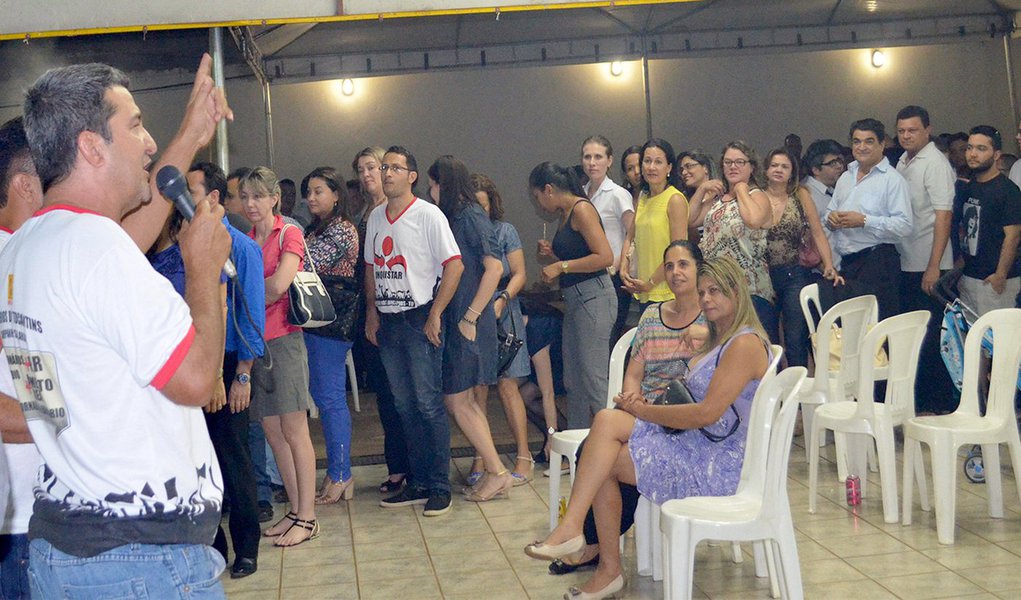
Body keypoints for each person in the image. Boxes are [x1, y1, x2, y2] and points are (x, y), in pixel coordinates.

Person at [4, 55, 233, 596]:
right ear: (90, 145)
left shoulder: (28, 249)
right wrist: (203, 275)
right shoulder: (94, 250)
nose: (149, 142)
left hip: (70, 547)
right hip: (141, 563)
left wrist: (192, 135)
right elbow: (197, 381)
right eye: (134, 125)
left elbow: (45, 401)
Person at [523, 255, 771, 600]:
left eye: (715, 291)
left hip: (717, 467)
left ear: (737, 292)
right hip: (699, 447)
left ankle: (580, 538)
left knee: (606, 428)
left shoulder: (743, 345)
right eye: (703, 293)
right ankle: (592, 551)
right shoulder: (727, 339)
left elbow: (706, 414)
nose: (707, 299)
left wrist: (645, 413)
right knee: (604, 441)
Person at [546, 240, 707, 577]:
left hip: (682, 421)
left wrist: (704, 341)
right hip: (644, 413)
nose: (676, 272)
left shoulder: (712, 317)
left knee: (600, 449)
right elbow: (633, 374)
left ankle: (591, 545)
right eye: (670, 266)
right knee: (600, 444)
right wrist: (633, 400)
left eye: (683, 265)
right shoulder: (652, 315)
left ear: (699, 270)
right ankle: (593, 547)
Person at [367, 146, 463, 517]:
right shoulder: (376, 217)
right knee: (404, 407)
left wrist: (436, 313)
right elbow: (372, 266)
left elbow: (454, 266)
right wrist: (372, 313)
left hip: (419, 317)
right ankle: (418, 481)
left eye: (395, 168)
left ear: (411, 176)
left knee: (427, 404)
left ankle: (440, 485)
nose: (387, 173)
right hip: (389, 322)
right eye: (383, 167)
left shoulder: (428, 215)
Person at [186, 161, 265, 578]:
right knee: (201, 463)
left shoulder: (241, 248)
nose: (182, 200)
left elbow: (252, 316)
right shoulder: (180, 244)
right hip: (191, 366)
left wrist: (242, 375)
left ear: (213, 198)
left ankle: (247, 548)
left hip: (232, 363)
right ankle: (212, 547)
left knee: (234, 460)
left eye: (191, 192)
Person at [242, 166, 320, 547]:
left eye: (258, 196)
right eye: (245, 197)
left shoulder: (289, 232)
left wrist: (247, 292)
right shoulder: (244, 238)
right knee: (272, 432)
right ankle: (294, 508)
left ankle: (308, 516)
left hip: (286, 339)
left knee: (295, 430)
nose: (251, 204)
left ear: (274, 198)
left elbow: (279, 285)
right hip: (256, 343)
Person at [426, 156, 511, 503]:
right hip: (460, 318)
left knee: (457, 399)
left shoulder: (471, 215)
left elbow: (494, 268)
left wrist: (470, 316)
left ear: (444, 184)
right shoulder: (455, 217)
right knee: (463, 400)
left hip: (470, 320)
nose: (429, 192)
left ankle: (497, 471)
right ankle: (495, 470)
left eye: (432, 184)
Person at [533, 162, 616, 430]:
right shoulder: (566, 213)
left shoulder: (581, 209)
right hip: (576, 299)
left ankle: (615, 443)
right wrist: (555, 257)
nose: (539, 203)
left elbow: (604, 256)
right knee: (574, 380)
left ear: (548, 189)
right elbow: (579, 256)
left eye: (537, 196)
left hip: (594, 297)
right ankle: (580, 447)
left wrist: (562, 266)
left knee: (594, 378)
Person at [0, 116, 43, 598]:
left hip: (39, 507)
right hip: (17, 520)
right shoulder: (10, 264)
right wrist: (71, 424)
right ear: (25, 186)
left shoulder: (25, 258)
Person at [350, 146, 410, 495]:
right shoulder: (364, 213)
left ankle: (410, 465)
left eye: (373, 166)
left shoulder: (394, 210)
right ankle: (397, 465)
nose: (367, 174)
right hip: (370, 311)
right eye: (361, 169)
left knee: (402, 394)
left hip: (398, 309)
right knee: (386, 396)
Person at [301, 167, 361, 504]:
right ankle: (338, 472)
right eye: (308, 191)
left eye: (318, 191)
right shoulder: (317, 228)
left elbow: (305, 266)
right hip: (317, 323)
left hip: (331, 323)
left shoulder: (341, 230)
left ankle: (342, 474)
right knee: (325, 396)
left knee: (330, 398)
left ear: (336, 194)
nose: (311, 197)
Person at [470, 173, 535, 486]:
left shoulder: (504, 230)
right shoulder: (463, 232)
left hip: (504, 311)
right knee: (477, 388)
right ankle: (481, 455)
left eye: (483, 205)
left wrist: (503, 299)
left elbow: (520, 273)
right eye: (474, 206)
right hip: (473, 313)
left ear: (491, 204)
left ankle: (524, 453)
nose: (479, 212)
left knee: (509, 385)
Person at [893, 105, 958, 414]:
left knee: (933, 338)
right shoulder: (903, 161)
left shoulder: (935, 163)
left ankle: (941, 403)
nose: (906, 135)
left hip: (930, 264)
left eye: (913, 130)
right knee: (916, 336)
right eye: (902, 130)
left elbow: (943, 216)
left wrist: (934, 266)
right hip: (907, 261)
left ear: (928, 130)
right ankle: (921, 401)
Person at [824, 118, 914, 319]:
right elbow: (830, 211)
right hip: (847, 264)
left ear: (882, 144)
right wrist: (831, 219)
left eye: (869, 141)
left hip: (878, 262)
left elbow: (905, 226)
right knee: (853, 330)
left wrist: (864, 220)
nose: (861, 147)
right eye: (857, 141)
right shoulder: (846, 176)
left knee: (878, 332)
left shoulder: (892, 180)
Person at [763, 148, 842, 367]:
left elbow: (817, 231)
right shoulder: (756, 195)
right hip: (762, 276)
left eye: (785, 166)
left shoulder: (800, 194)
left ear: (792, 172)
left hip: (794, 272)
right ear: (766, 169)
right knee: (768, 339)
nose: (779, 170)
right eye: (774, 165)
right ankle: (774, 393)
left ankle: (798, 392)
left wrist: (828, 264)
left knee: (796, 336)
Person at [690, 141, 776, 335]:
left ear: (751, 166)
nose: (733, 166)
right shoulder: (718, 199)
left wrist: (741, 189)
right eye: (728, 162)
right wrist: (702, 189)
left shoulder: (758, 195)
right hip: (718, 288)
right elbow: (692, 219)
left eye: (739, 162)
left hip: (750, 289)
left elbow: (753, 220)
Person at [954, 125, 1021, 316]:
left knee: (998, 342)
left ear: (997, 154)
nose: (973, 154)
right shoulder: (969, 187)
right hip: (968, 276)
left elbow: (1013, 237)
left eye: (981, 149)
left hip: (996, 281)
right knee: (973, 340)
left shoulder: (1007, 190)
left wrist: (1000, 275)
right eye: (970, 148)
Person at [620, 139, 689, 310]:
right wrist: (623, 266)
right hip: (644, 290)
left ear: (669, 167)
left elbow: (677, 251)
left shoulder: (675, 199)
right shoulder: (643, 198)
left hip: (668, 291)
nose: (651, 167)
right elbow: (630, 236)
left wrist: (651, 283)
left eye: (658, 162)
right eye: (647, 161)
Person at [581, 135, 635, 343]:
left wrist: (622, 266)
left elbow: (633, 234)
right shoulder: (581, 194)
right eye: (587, 157)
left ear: (609, 161)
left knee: (608, 341)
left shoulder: (617, 194)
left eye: (598, 157)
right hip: (588, 277)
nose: (592, 163)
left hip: (611, 276)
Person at [678, 149, 718, 243]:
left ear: (705, 168)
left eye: (689, 166)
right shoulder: (683, 198)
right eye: (682, 169)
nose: (684, 172)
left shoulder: (722, 195)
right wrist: (702, 188)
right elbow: (687, 221)